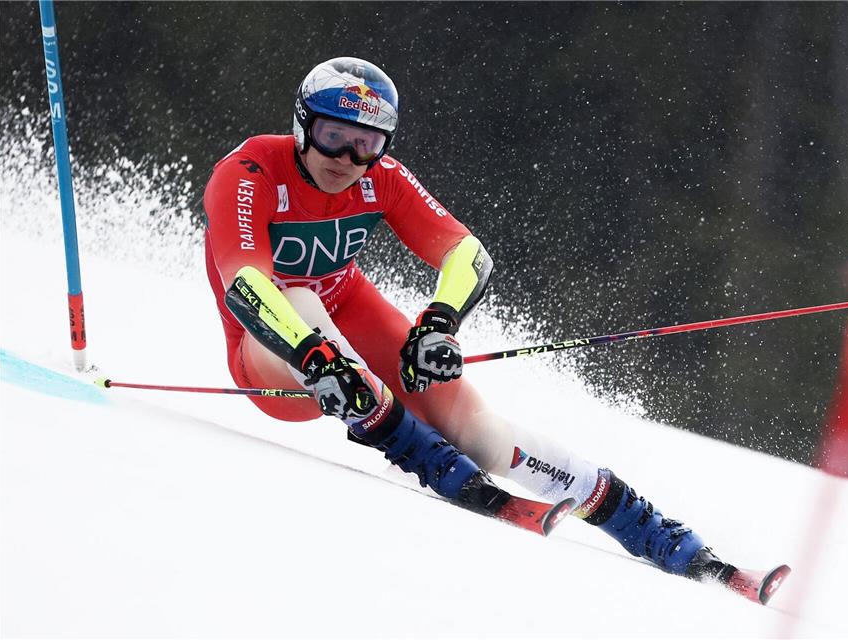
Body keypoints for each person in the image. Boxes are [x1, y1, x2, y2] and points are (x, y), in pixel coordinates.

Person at [203, 57, 734, 583]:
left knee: (480, 436)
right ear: (303, 124)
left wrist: (438, 322)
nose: (346, 156)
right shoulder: (250, 172)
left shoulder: (381, 179)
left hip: (348, 317)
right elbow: (246, 286)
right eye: (332, 134)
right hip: (268, 354)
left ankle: (646, 526)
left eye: (366, 142)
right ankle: (416, 449)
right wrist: (316, 357)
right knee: (299, 301)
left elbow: (467, 252)